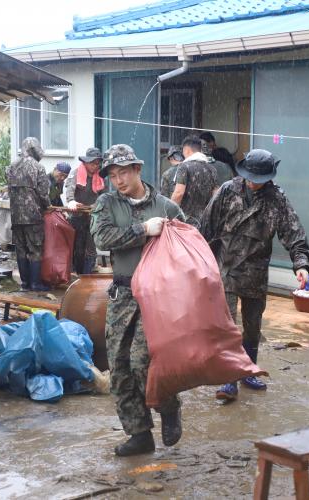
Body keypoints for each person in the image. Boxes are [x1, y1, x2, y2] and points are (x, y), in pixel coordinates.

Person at [90, 144, 185, 456]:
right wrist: (142, 230)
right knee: (119, 368)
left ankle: (168, 407)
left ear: (137, 170)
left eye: (123, 173)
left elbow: (188, 243)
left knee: (142, 362)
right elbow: (102, 238)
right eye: (113, 175)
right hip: (122, 294)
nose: (118, 180)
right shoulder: (106, 203)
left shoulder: (166, 207)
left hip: (157, 296)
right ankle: (140, 434)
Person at [200, 149, 309, 401]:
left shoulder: (276, 199)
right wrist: (194, 260)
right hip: (226, 269)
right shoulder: (228, 191)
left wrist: (301, 264)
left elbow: (294, 233)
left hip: (256, 273)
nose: (252, 183)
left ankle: (248, 371)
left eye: (258, 180)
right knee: (228, 327)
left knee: (252, 328)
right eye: (249, 178)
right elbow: (206, 227)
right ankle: (229, 378)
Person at [6, 137, 51, 292]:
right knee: (35, 249)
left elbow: (10, 190)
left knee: (21, 249)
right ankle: (35, 284)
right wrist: (48, 206)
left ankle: (24, 283)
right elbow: (43, 193)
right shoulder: (38, 168)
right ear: (36, 150)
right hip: (33, 217)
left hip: (16, 216)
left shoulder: (11, 167)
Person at [64, 147, 106, 275]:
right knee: (77, 247)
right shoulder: (76, 173)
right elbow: (69, 189)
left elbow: (104, 195)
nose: (95, 166)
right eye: (92, 163)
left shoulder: (100, 176)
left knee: (91, 247)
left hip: (93, 215)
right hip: (76, 215)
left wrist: (99, 204)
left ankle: (87, 274)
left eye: (97, 163)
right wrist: (71, 201)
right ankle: (75, 274)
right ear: (86, 162)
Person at [171, 135, 218, 227]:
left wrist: (169, 213)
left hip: (186, 222)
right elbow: (216, 195)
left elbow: (178, 193)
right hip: (205, 222)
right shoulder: (212, 169)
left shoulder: (184, 167)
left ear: (187, 150)